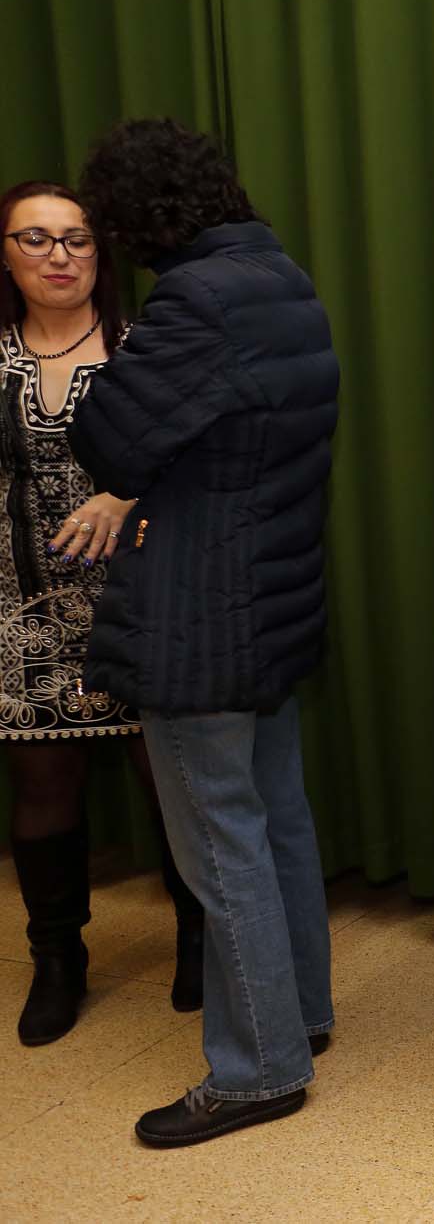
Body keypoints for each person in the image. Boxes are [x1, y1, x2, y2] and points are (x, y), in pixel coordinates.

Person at [70, 119, 340, 1147]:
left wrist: (109, 362)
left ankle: (259, 1067)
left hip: (200, 612)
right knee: (275, 817)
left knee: (220, 841)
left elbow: (112, 440)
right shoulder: (280, 277)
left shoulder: (195, 300)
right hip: (268, 594)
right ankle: (297, 1013)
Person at [0, 181, 204, 1046]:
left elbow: (201, 454)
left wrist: (125, 493)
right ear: (6, 254)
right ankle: (57, 958)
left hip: (141, 599)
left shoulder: (143, 346)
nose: (59, 256)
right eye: (36, 238)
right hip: (21, 608)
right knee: (44, 786)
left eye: (77, 239)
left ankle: (199, 937)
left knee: (172, 780)